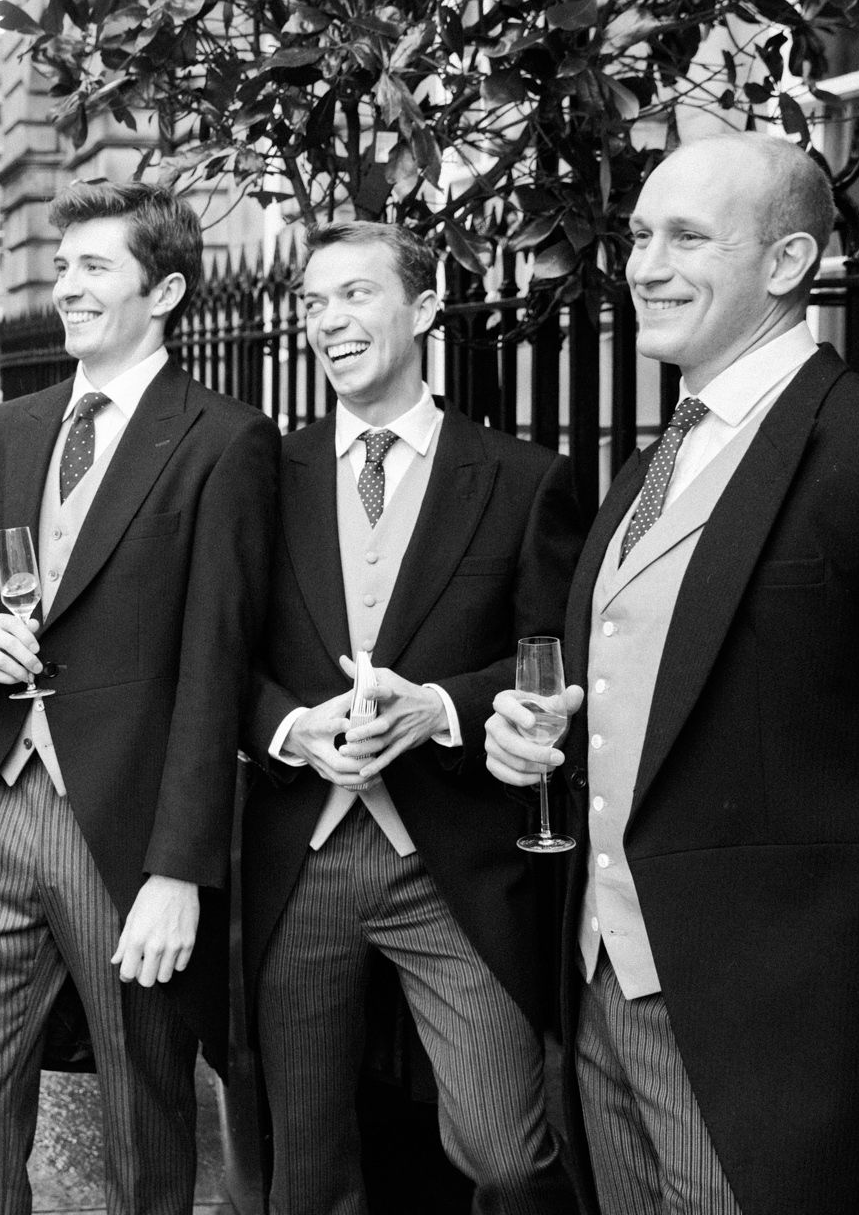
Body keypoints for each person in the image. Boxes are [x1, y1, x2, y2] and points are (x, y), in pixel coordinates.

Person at [484, 131, 859, 1214]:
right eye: (640, 234)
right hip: (602, 981)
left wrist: (854, 952)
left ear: (787, 262)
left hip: (776, 1026)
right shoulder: (655, 459)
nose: (643, 262)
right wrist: (541, 735)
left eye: (685, 237)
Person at [0, 180, 279, 1215]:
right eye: (62, 266)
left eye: (92, 268)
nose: (65, 286)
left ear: (163, 292)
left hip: (121, 828)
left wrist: (178, 869)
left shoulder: (221, 441)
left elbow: (217, 671)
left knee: (143, 1117)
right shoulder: (10, 428)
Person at [237, 222, 585, 1215]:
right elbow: (220, 654)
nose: (326, 321)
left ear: (425, 310)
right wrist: (293, 725)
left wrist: (439, 707)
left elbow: (547, 656)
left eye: (354, 294)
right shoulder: (263, 472)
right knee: (300, 1173)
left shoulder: (522, 480)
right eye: (312, 302)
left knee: (507, 1156)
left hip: (449, 856)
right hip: (299, 853)